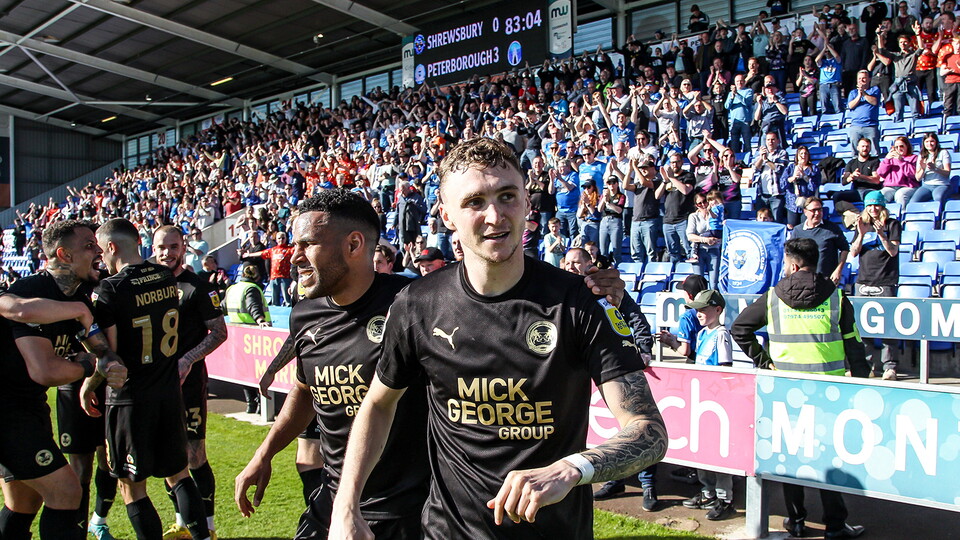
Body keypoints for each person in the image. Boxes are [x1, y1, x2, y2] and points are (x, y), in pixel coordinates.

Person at [237, 189, 628, 539]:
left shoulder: (412, 303)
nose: (293, 256)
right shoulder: (305, 313)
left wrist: (587, 287)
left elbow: (489, 287)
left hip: (409, 506)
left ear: (354, 244)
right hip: (337, 495)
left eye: (307, 244)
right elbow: (307, 389)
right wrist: (264, 453)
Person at [329, 138, 666, 539]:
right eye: (474, 202)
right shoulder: (417, 304)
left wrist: (572, 468)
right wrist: (345, 507)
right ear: (447, 215)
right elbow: (378, 405)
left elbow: (648, 430)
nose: (494, 215)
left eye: (507, 196)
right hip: (448, 532)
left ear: (526, 202)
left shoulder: (579, 303)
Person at [82, 218, 211, 540]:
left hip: (130, 398)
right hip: (168, 391)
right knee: (179, 474)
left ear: (111, 247)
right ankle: (204, 536)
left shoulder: (110, 289)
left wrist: (89, 384)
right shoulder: (166, 277)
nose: (100, 258)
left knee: (131, 486)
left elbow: (109, 357)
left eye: (100, 250)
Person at [731, 237, 868, 540]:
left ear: (792, 264)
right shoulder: (838, 297)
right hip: (829, 392)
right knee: (828, 460)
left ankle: (796, 522)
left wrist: (765, 362)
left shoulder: (772, 297)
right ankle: (834, 525)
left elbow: (739, 328)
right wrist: (862, 384)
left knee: (791, 457)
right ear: (815, 262)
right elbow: (855, 348)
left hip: (784, 391)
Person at [0, 220, 127, 540]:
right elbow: (45, 371)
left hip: (30, 407)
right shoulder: (30, 291)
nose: (99, 250)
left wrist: (112, 366)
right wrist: (87, 366)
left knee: (24, 502)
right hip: (6, 411)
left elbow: (102, 353)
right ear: (63, 255)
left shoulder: (82, 302)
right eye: (88, 245)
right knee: (67, 492)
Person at [152, 226, 229, 540]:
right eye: (161, 247)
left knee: (194, 453)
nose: (167, 253)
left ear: (183, 247)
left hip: (189, 383)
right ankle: (182, 523)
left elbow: (220, 332)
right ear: (152, 247)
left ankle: (208, 526)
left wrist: (188, 359)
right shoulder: (146, 286)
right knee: (166, 453)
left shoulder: (198, 286)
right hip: (155, 385)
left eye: (173, 247)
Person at [680, 290, 736, 521]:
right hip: (700, 401)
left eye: (703, 309)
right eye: (697, 309)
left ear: (718, 310)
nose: (699, 314)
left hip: (716, 403)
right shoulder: (702, 334)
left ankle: (725, 498)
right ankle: (707, 491)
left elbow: (725, 368)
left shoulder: (721, 334)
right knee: (702, 450)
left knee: (718, 452)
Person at [850, 190, 902, 380]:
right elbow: (853, 253)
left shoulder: (893, 224)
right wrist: (861, 235)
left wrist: (881, 235)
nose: (873, 209)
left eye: (877, 205)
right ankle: (868, 366)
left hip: (885, 281)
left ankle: (890, 367)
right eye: (870, 205)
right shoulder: (862, 224)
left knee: (889, 327)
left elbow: (893, 251)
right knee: (863, 329)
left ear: (883, 206)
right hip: (863, 281)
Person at [225, 264, 271, 414]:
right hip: (254, 337)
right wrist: (260, 320)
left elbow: (222, 306)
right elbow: (253, 306)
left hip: (237, 334)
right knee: (258, 371)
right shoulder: (251, 289)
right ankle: (258, 405)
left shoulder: (232, 288)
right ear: (256, 276)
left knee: (244, 372)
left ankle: (250, 403)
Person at [791, 197, 850, 285]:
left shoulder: (832, 228)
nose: (817, 213)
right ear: (805, 211)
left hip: (827, 280)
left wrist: (838, 270)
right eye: (813, 210)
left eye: (819, 210)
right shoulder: (797, 230)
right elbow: (791, 254)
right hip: (803, 281)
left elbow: (845, 249)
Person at [658, 153, 696, 263]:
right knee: (672, 252)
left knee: (689, 249)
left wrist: (672, 178)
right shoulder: (668, 179)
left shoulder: (688, 176)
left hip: (683, 219)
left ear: (682, 162)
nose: (674, 164)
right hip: (668, 220)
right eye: (672, 162)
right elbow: (657, 195)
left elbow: (686, 190)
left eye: (677, 162)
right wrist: (665, 180)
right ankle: (674, 274)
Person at [241, 231, 295, 307]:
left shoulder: (290, 249)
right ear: (276, 239)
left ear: (286, 239)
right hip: (273, 277)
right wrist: (249, 254)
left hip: (285, 277)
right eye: (279, 238)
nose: (281, 240)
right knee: (274, 300)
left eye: (283, 238)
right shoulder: (273, 250)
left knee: (287, 299)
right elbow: (261, 253)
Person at [686, 192, 723, 289]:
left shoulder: (715, 213)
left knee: (714, 282)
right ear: (696, 205)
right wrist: (705, 240)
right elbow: (690, 236)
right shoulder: (693, 216)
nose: (703, 205)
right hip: (699, 251)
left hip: (714, 249)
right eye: (699, 203)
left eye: (705, 202)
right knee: (699, 282)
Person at [779, 145, 820, 230]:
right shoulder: (791, 168)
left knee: (806, 228)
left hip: (807, 203)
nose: (803, 156)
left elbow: (813, 187)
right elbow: (782, 185)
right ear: (797, 156)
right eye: (801, 154)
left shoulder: (814, 169)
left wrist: (805, 176)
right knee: (792, 229)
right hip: (792, 204)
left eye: (805, 153)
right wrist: (792, 178)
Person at [753, 132, 789, 223]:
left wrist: (766, 160)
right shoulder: (760, 153)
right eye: (768, 140)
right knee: (760, 221)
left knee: (776, 220)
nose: (770, 142)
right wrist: (761, 158)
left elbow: (779, 169)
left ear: (778, 141)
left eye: (773, 139)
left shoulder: (782, 153)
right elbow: (755, 169)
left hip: (776, 194)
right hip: (762, 194)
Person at [846, 70, 882, 154]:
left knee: (874, 151)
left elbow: (874, 101)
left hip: (870, 126)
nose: (861, 80)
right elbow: (851, 105)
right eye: (859, 79)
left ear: (869, 79)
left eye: (864, 78)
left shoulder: (874, 90)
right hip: (856, 126)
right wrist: (859, 95)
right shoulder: (853, 93)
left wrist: (864, 93)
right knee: (855, 152)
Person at [836, 138, 882, 204]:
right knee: (837, 196)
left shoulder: (875, 161)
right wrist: (851, 177)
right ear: (858, 148)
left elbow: (876, 180)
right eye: (862, 146)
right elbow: (844, 181)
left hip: (871, 190)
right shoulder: (851, 163)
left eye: (867, 146)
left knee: (869, 196)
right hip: (856, 191)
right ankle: (853, 213)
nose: (865, 148)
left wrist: (861, 176)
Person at [877, 136, 920, 206]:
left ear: (907, 146)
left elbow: (913, 174)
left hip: (908, 186)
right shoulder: (890, 158)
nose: (899, 149)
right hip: (890, 186)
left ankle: (901, 214)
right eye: (896, 147)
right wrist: (886, 160)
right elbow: (881, 173)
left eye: (901, 146)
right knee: (880, 195)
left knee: (900, 195)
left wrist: (901, 161)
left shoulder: (913, 158)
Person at [912, 132, 953, 205]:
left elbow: (947, 172)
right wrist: (923, 169)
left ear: (936, 142)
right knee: (913, 202)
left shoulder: (943, 152)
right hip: (926, 185)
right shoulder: (921, 155)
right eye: (927, 141)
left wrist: (935, 169)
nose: (929, 144)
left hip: (941, 184)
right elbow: (918, 178)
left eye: (932, 141)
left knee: (938, 198)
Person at [598, 177, 626, 265]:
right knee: (603, 250)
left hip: (615, 220)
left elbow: (619, 210)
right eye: (609, 183)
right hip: (604, 220)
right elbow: (599, 209)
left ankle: (618, 268)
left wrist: (609, 204)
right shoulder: (604, 196)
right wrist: (604, 199)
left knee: (616, 249)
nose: (611, 185)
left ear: (617, 184)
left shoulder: (621, 196)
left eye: (613, 183)